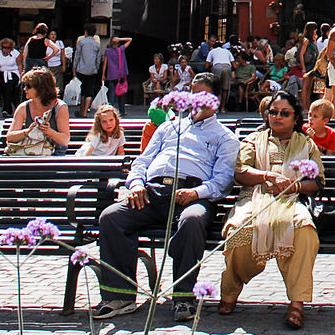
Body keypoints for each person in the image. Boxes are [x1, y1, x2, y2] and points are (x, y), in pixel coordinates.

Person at [92, 73, 238, 322]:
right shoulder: (169, 127)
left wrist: (196, 193)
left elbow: (222, 181)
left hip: (192, 196)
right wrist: (136, 184)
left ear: (215, 99)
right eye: (192, 93)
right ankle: (120, 295)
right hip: (151, 193)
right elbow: (142, 161)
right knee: (111, 217)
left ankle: (183, 297)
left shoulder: (225, 137)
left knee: (192, 221)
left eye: (202, 95)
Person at [217, 89, 323, 328]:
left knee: (304, 229)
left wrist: (293, 186)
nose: (277, 116)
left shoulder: (306, 145)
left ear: (296, 118)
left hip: (290, 201)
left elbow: (316, 182)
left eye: (284, 113)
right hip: (254, 197)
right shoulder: (254, 140)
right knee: (239, 230)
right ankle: (230, 291)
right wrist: (267, 176)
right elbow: (241, 171)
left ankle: (297, 303)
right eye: (273, 112)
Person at [3, 67, 70, 156]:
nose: (24, 89)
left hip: (53, 155)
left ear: (40, 88)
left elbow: (65, 140)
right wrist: (27, 132)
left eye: (28, 86)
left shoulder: (60, 107)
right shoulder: (23, 108)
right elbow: (10, 137)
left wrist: (49, 132)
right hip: (28, 153)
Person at [72, 24, 106, 118]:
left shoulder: (82, 42)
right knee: (89, 90)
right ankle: (85, 111)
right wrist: (96, 68)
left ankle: (81, 110)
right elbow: (98, 58)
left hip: (81, 69)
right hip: (92, 70)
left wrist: (74, 68)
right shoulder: (97, 44)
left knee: (82, 89)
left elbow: (77, 56)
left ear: (86, 32)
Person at [0, 38, 22, 116]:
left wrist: (21, 75)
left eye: (8, 48)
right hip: (1, 73)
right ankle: (9, 109)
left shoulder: (16, 53)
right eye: (4, 48)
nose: (6, 50)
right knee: (3, 91)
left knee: (9, 90)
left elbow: (19, 65)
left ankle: (5, 109)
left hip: (13, 73)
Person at [105, 34, 134, 117]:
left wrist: (103, 74)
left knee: (111, 93)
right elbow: (130, 39)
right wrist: (120, 39)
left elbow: (105, 64)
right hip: (120, 75)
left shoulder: (107, 51)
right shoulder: (121, 49)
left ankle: (111, 111)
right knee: (121, 93)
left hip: (111, 75)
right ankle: (122, 111)